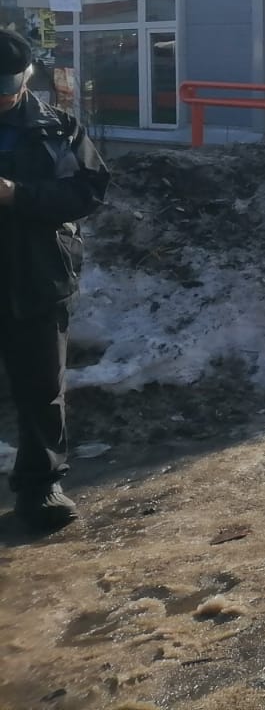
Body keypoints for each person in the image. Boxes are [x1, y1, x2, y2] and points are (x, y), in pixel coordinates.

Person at [0, 28, 110, 531]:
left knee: (42, 386)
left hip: (39, 274)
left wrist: (18, 196)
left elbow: (87, 192)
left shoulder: (57, 129)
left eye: (8, 87)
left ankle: (41, 485)